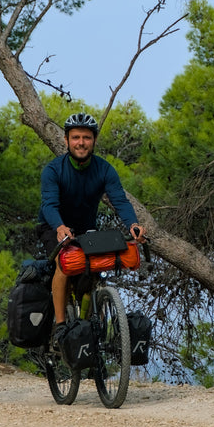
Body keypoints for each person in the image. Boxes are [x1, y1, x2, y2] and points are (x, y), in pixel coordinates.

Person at [37, 112, 145, 338]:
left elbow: (120, 200)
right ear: (66, 140)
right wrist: (59, 226)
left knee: (91, 272)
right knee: (64, 264)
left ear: (94, 141)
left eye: (86, 138)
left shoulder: (105, 170)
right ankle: (60, 325)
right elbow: (49, 204)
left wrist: (133, 224)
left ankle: (88, 331)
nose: (81, 143)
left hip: (86, 229)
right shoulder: (54, 170)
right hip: (53, 226)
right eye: (76, 137)